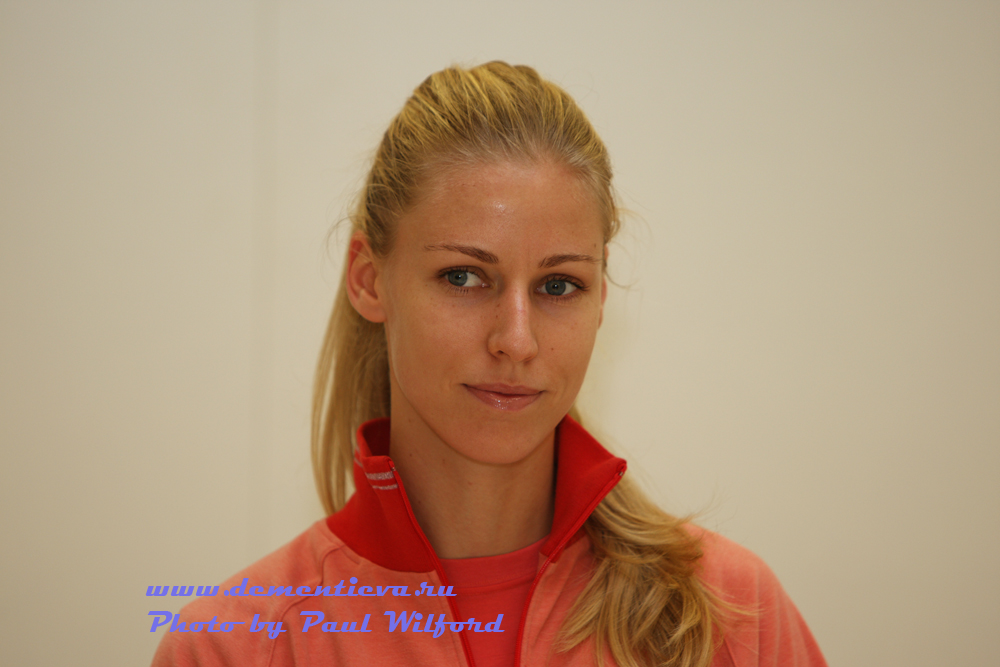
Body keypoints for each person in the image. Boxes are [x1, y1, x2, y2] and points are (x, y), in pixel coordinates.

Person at [151, 61, 827, 667]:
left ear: (600, 298)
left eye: (558, 285)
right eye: (464, 277)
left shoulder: (730, 617)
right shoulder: (232, 648)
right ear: (368, 279)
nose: (517, 340)